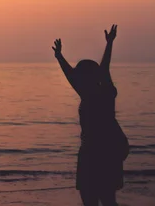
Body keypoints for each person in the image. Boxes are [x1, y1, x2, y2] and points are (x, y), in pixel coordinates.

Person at [52, 25, 129, 206]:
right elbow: (72, 75)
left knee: (104, 199)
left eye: (80, 74)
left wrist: (109, 44)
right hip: (94, 152)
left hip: (102, 152)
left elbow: (104, 68)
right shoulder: (92, 92)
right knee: (96, 199)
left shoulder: (104, 93)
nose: (76, 77)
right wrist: (60, 57)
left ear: (87, 77)